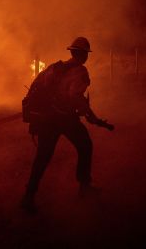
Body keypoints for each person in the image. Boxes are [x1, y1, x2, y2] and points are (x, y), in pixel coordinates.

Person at [21, 37, 114, 214]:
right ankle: (84, 188)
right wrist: (91, 116)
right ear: (85, 56)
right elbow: (76, 97)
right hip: (65, 119)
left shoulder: (53, 68)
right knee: (85, 145)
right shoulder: (80, 72)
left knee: (42, 157)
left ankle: (28, 196)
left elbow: (36, 87)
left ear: (71, 52)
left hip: (47, 119)